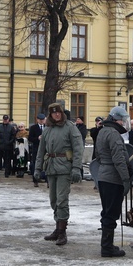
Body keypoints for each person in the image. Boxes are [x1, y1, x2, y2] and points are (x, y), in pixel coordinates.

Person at [33, 102, 84, 247]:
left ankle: (62, 232)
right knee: (53, 200)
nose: (56, 115)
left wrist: (76, 168)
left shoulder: (70, 127)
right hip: (50, 167)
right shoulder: (48, 130)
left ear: (62, 113)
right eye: (53, 113)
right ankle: (57, 227)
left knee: (62, 200)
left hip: (64, 168)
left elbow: (78, 148)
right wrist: (37, 169)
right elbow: (41, 151)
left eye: (59, 112)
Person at [94, 106, 130, 257]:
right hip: (113, 179)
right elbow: (119, 159)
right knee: (111, 213)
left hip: (103, 176)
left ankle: (107, 245)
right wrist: (126, 178)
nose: (124, 123)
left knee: (107, 211)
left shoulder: (102, 131)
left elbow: (98, 156)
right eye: (122, 120)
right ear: (117, 120)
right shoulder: (114, 134)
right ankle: (107, 248)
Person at [28, 114, 45, 186]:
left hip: (45, 149)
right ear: (37, 120)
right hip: (36, 148)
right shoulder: (33, 127)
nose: (41, 121)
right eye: (40, 120)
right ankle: (35, 180)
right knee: (35, 164)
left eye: (43, 120)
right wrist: (37, 138)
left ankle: (47, 180)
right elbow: (30, 138)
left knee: (46, 164)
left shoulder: (47, 127)